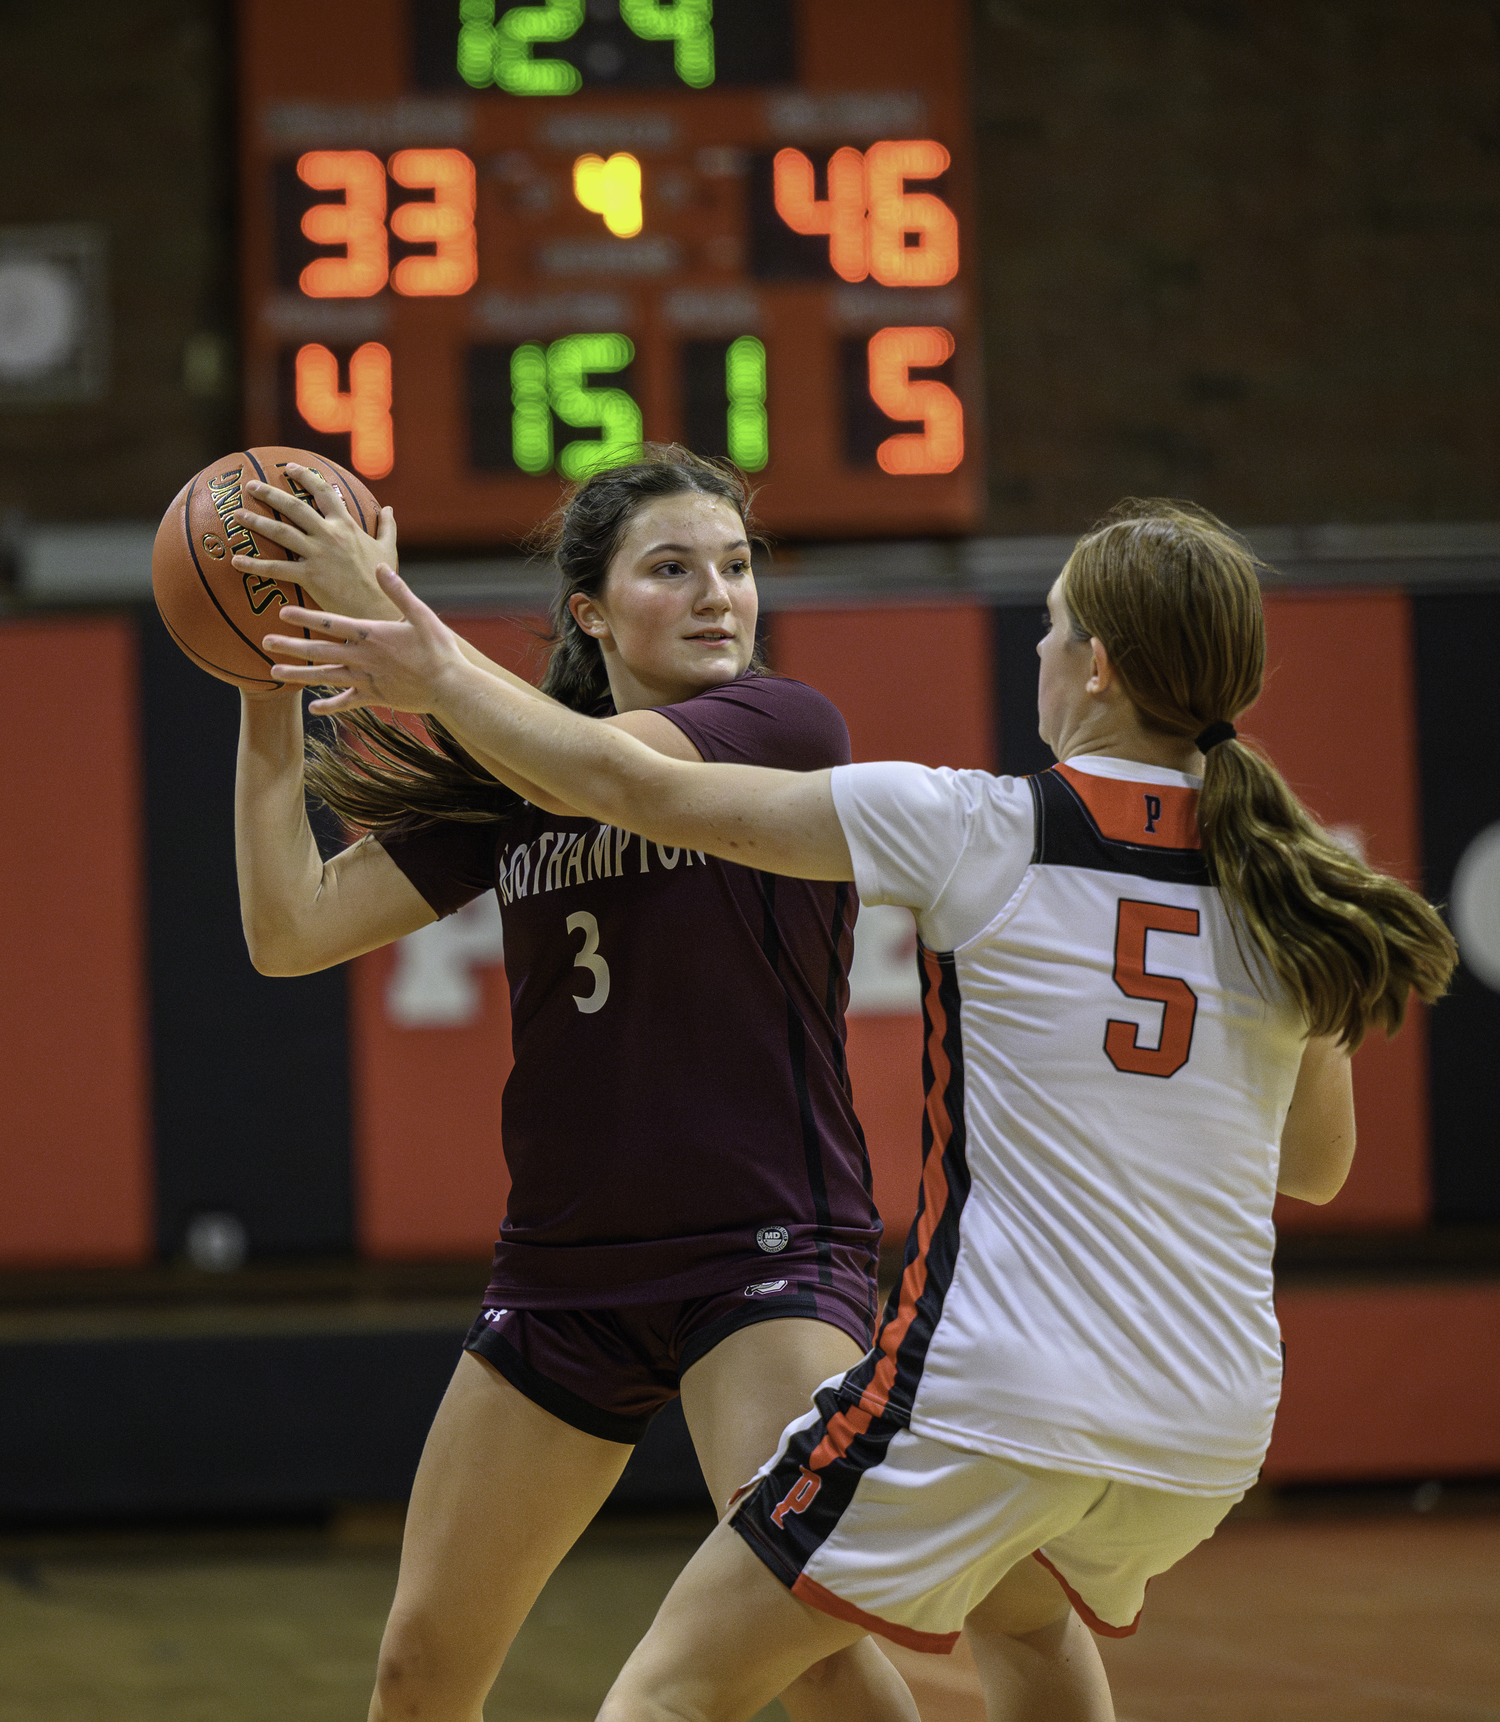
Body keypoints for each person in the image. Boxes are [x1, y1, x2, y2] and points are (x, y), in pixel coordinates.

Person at [263, 498, 1459, 1722]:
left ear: (1094, 666)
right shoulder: (1297, 886)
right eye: (677, 568)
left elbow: (628, 782)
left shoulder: (970, 822)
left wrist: (422, 652)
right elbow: (1316, 1167)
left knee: (677, 1694)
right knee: (1027, 1620)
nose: (1035, 654)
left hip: (944, 1354)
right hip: (1205, 1422)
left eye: (1049, 631)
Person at [231, 447, 922, 1722]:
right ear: (590, 613)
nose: (721, 595)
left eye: (737, 563)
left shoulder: (783, 725)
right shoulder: (518, 780)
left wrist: (400, 632)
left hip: (758, 1253)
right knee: (418, 1670)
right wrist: (264, 673)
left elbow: (608, 776)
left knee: (810, 1643)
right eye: (673, 570)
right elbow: (290, 928)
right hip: (566, 1268)